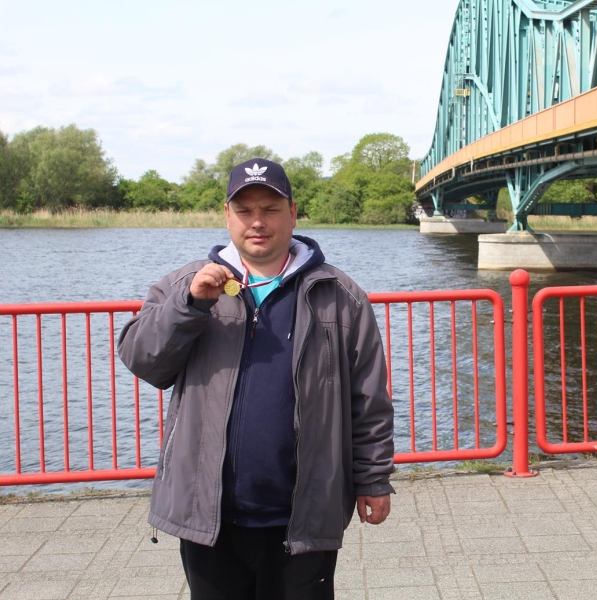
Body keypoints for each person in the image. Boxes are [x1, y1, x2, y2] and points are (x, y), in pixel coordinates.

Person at [118, 157, 395, 600]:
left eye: (270, 208)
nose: (258, 222)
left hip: (304, 515)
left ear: (293, 212)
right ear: (227, 216)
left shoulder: (339, 296)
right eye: (245, 211)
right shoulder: (186, 284)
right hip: (209, 514)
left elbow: (369, 401)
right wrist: (188, 307)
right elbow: (143, 360)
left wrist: (374, 480)